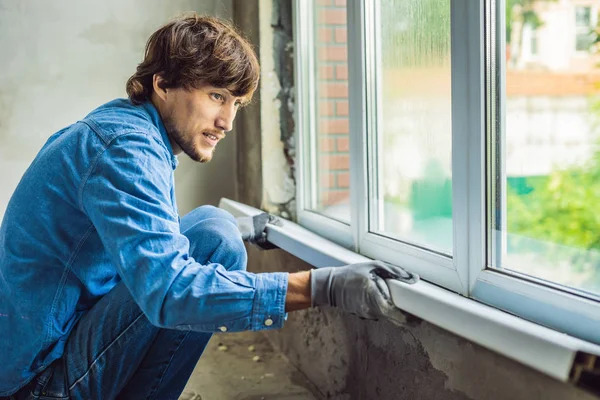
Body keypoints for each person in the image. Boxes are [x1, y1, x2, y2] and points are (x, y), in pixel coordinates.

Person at [0, 13, 416, 400]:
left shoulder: (121, 128)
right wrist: (323, 286)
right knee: (212, 246)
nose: (227, 122)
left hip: (45, 352)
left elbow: (141, 240)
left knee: (214, 228)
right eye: (217, 96)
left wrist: (239, 229)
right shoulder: (125, 150)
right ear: (162, 84)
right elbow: (167, 291)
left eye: (236, 103)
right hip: (40, 382)